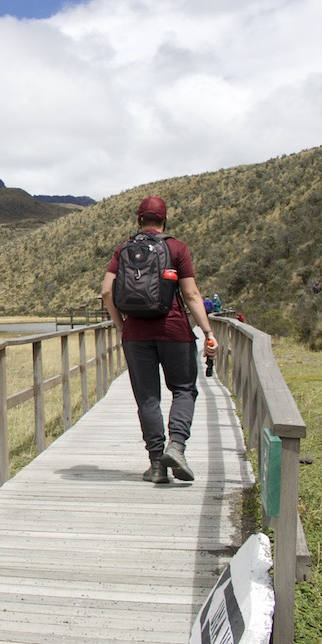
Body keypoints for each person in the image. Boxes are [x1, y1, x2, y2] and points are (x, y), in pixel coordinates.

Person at [101, 196, 218, 485]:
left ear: (139, 220)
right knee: (183, 389)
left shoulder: (123, 249)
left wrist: (121, 326)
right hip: (174, 330)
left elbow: (106, 291)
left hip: (136, 335)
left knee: (148, 398)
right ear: (165, 219)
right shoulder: (177, 248)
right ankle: (176, 447)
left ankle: (156, 465)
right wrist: (208, 332)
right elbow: (191, 295)